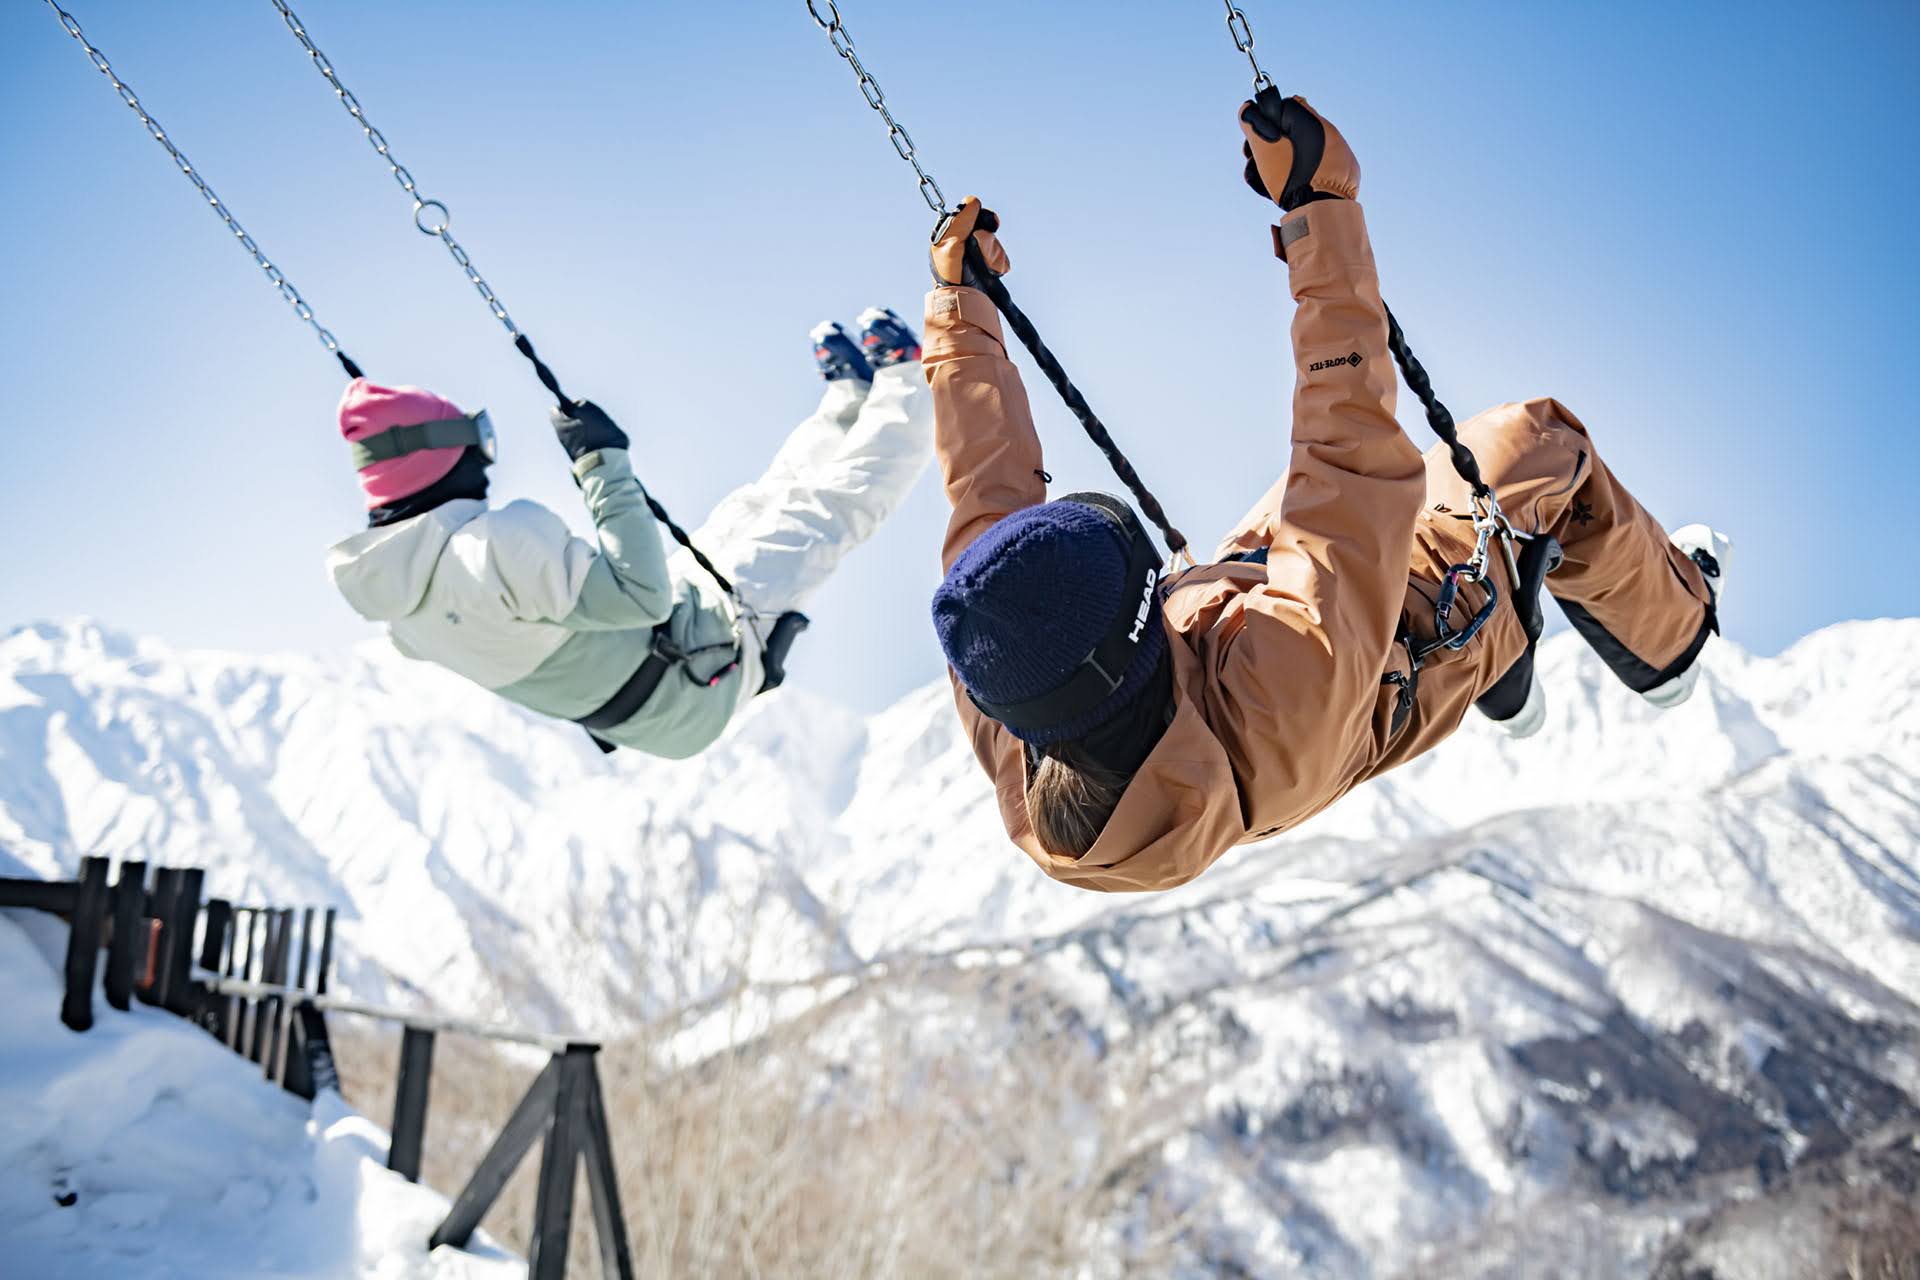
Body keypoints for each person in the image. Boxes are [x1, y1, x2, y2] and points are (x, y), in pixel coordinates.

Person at [924, 92, 1731, 892]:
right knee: (1541, 443)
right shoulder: (1285, 691)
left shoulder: (1016, 698)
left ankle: (1511, 683)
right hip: (1413, 639)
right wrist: (1321, 212)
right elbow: (1349, 449)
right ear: (1136, 628)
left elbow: (986, 513)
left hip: (1239, 618)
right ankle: (1671, 642)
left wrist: (962, 314)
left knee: (1313, 497)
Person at [327, 308, 932, 757]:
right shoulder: (494, 546)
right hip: (699, 667)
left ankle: (848, 402)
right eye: (478, 440)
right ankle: (910, 385)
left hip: (663, 696)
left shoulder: (397, 610)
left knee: (754, 509)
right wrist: (602, 463)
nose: (486, 461)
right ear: (440, 459)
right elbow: (642, 598)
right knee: (821, 514)